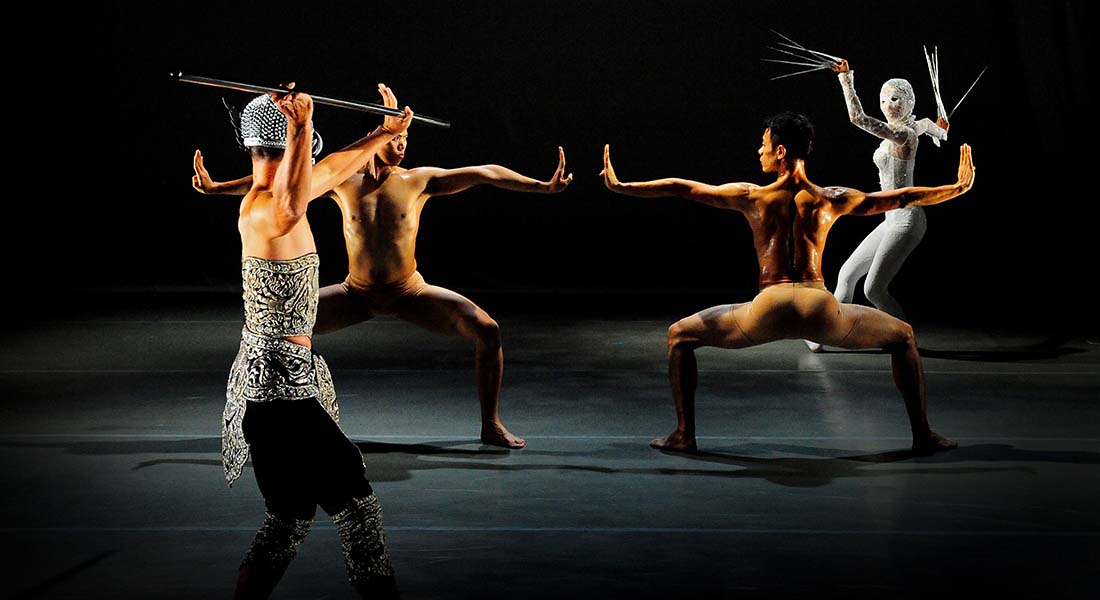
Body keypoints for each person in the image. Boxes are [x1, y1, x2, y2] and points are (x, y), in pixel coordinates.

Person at [195, 86, 573, 449]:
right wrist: (219, 188)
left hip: (409, 292)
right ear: (375, 137)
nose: (402, 144)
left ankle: (491, 424)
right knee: (271, 333)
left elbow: (484, 172)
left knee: (487, 330)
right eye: (395, 138)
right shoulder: (344, 182)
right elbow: (285, 186)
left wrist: (540, 186)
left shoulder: (419, 181)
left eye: (406, 138)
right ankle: (260, 421)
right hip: (355, 294)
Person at [601, 111, 974, 455]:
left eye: (763, 145)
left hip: (769, 307)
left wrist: (623, 186)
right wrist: (956, 187)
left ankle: (684, 434)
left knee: (680, 335)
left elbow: (682, 188)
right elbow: (901, 197)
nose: (758, 151)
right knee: (904, 336)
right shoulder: (830, 199)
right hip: (820, 307)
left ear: (780, 151)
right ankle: (923, 435)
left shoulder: (752, 196)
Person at [220, 83, 412, 598]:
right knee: (357, 509)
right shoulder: (266, 208)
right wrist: (303, 125)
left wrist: (382, 133)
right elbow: (292, 197)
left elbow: (325, 173)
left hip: (275, 389)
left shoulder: (289, 194)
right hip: (280, 390)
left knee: (289, 516)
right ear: (286, 151)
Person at [805, 60, 950, 352]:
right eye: (883, 99)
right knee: (847, 274)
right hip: (890, 219)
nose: (887, 104)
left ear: (908, 102)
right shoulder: (913, 126)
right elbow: (935, 130)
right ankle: (820, 333)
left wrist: (846, 79)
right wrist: (940, 128)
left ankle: (906, 340)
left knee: (873, 289)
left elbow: (858, 118)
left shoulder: (903, 135)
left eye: (895, 99)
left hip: (907, 221)